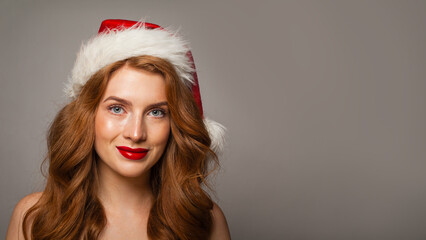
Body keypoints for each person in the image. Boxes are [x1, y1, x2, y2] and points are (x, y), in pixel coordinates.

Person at [6, 19, 231, 240]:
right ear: (87, 115)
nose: (135, 133)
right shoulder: (33, 217)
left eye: (156, 112)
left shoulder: (205, 220)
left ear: (174, 124)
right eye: (117, 109)